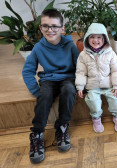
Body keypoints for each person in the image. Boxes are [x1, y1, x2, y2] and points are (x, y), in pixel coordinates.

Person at [22, 9, 80, 164]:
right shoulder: (38, 48)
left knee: (68, 90)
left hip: (68, 77)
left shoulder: (70, 46)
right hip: (48, 79)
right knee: (45, 95)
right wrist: (36, 90)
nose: (50, 30)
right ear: (40, 28)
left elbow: (80, 67)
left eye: (54, 26)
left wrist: (81, 85)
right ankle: (37, 134)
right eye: (45, 26)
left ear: (62, 28)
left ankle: (62, 127)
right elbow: (27, 71)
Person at [75, 23, 117, 133]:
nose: (95, 40)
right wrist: (80, 86)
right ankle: (96, 119)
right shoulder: (83, 55)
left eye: (99, 37)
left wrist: (116, 86)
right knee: (92, 100)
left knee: (115, 99)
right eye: (92, 37)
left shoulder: (110, 53)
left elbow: (116, 70)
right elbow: (80, 72)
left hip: (108, 84)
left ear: (105, 39)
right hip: (92, 86)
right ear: (87, 39)